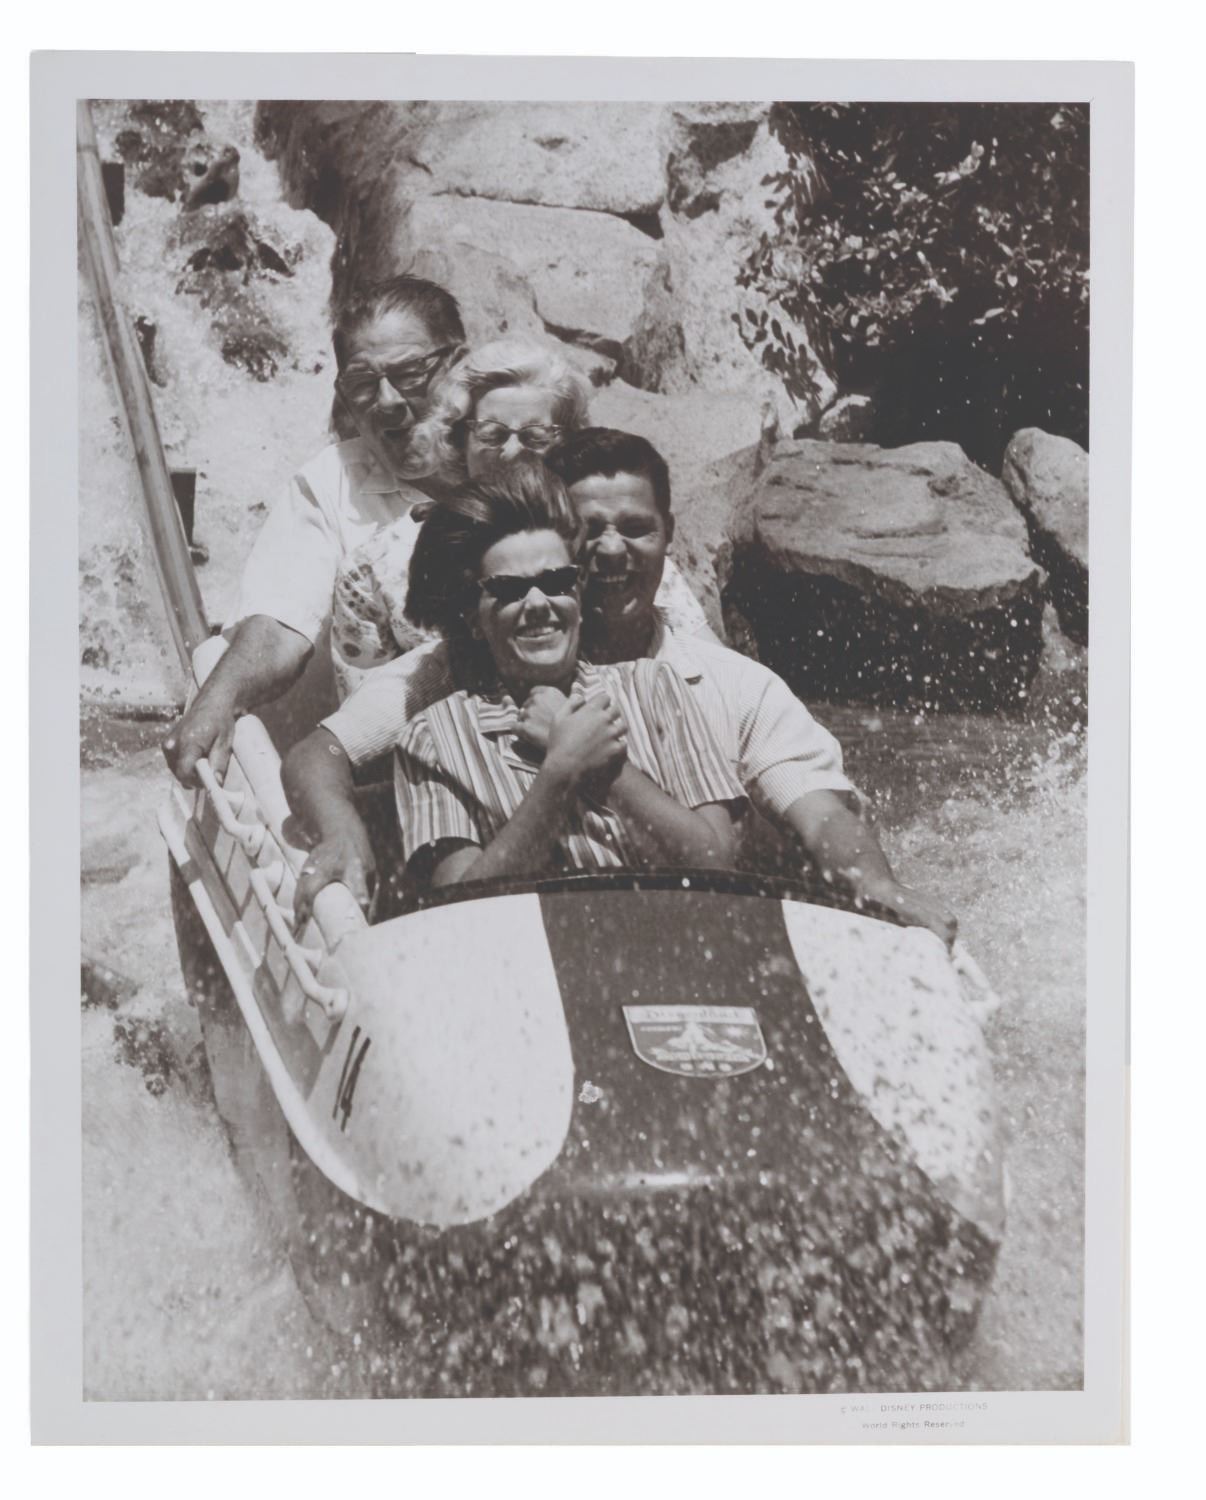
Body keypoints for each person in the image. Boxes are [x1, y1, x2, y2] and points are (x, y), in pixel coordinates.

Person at [283, 429, 956, 944]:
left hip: (686, 938)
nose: (609, 552)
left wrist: (874, 883)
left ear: (666, 537)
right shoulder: (438, 697)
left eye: (634, 529)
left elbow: (813, 814)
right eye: (590, 533)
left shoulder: (685, 685)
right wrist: (560, 772)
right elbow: (322, 754)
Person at [162, 273, 467, 786]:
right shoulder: (332, 480)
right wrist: (217, 700)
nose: (387, 401)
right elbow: (281, 620)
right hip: (392, 757)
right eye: (363, 384)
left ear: (460, 364)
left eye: (409, 373)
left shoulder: (522, 450)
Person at [390, 461, 744, 887]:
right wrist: (562, 770)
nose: (539, 604)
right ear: (473, 619)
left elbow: (717, 866)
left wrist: (609, 771)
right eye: (509, 590)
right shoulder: (431, 740)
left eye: (557, 581)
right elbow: (458, 907)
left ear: (577, 595)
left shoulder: (655, 689)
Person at [327, 336, 713, 688]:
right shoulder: (373, 568)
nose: (512, 454)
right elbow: (362, 721)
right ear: (458, 441)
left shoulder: (607, 548)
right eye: (491, 434)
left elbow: (709, 666)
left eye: (536, 436)